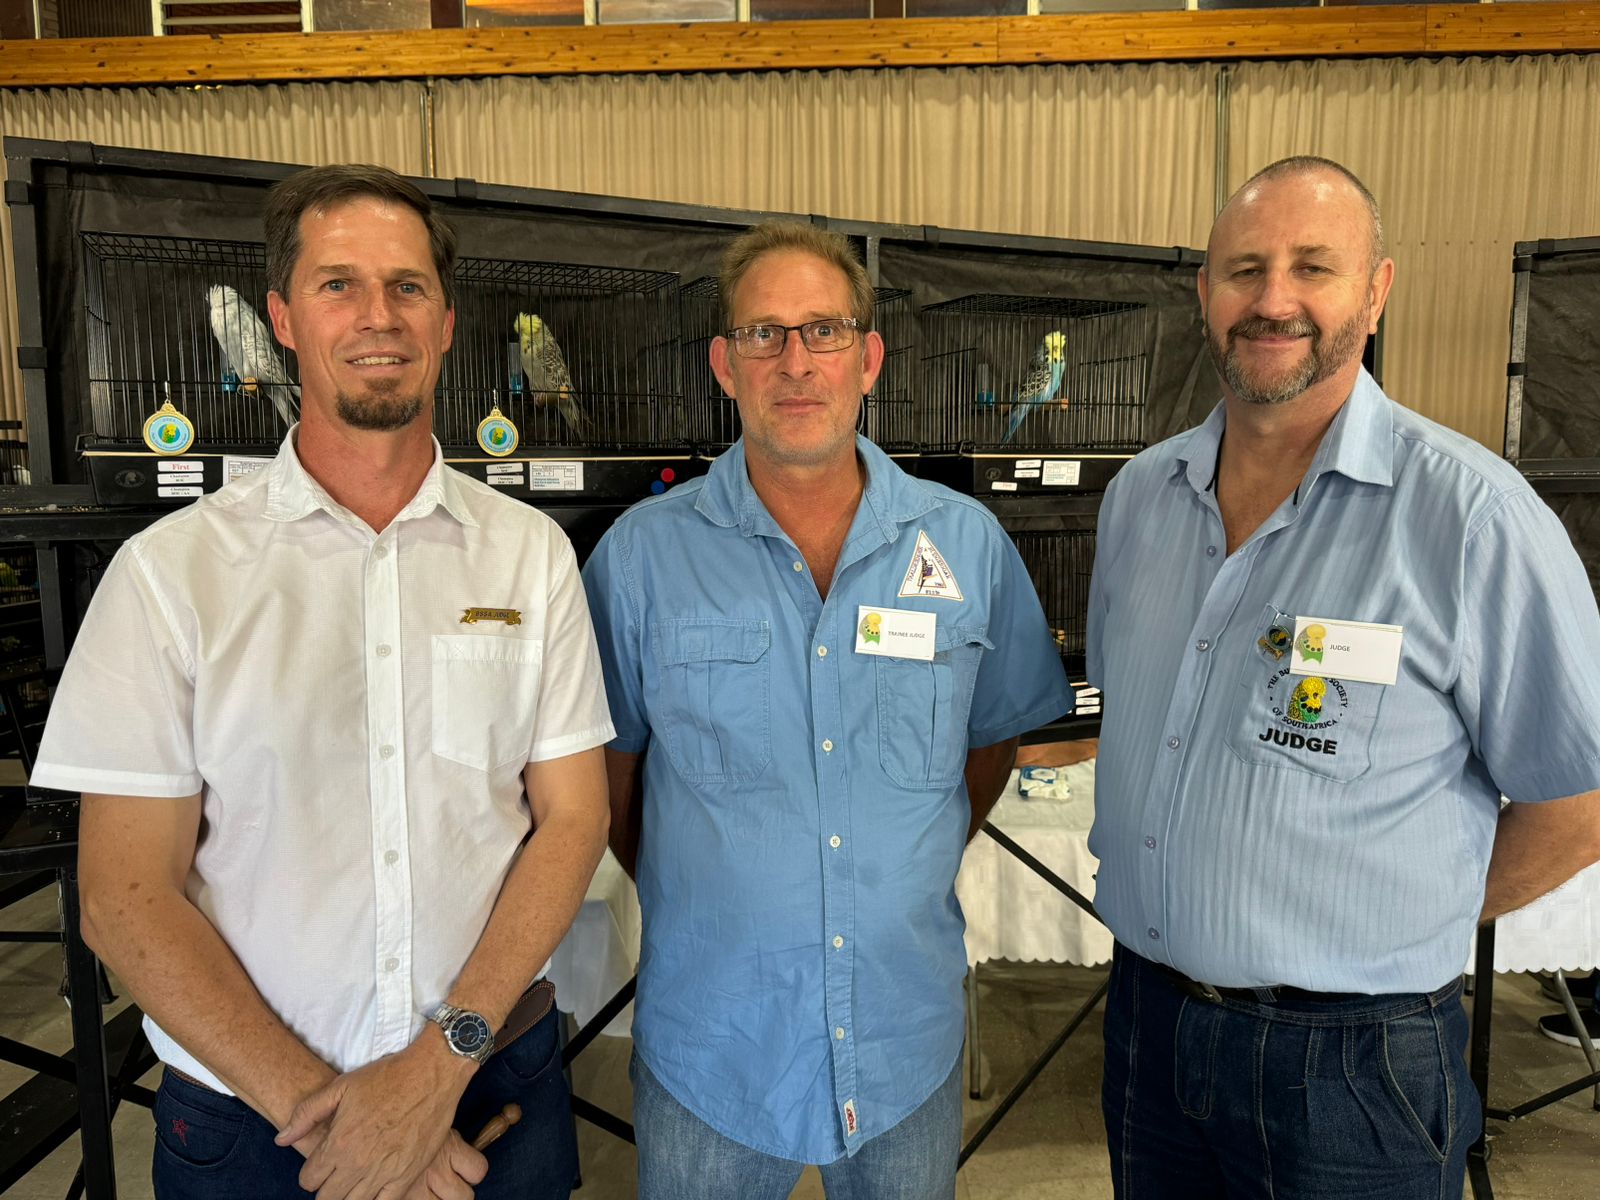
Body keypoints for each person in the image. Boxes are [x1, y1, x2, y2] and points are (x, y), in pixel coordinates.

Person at [30, 164, 614, 1200]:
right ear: (283, 318)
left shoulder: (528, 558)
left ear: (444, 321)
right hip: (254, 1123)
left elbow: (570, 821)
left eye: (407, 287)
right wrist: (336, 1120)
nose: (376, 315)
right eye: (338, 284)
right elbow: (123, 895)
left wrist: (439, 1069)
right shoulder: (172, 577)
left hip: (488, 1082)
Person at [1085, 155, 1600, 1199]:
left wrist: (1399, 925)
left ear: (1375, 291)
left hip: (1352, 1068)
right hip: (1147, 1026)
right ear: (1202, 294)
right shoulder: (1140, 498)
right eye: (1244, 269)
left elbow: (1576, 804)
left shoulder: (1470, 519)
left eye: (1313, 268)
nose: (1273, 300)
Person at [581, 220, 1073, 1199]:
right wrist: (720, 887)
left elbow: (988, 747)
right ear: (725, 365)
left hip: (903, 1038)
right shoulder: (638, 558)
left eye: (823, 330)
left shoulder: (965, 547)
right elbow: (612, 782)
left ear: (869, 358)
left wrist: (898, 858)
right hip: (712, 1045)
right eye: (763, 334)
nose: (794, 361)